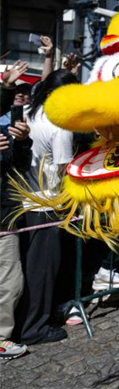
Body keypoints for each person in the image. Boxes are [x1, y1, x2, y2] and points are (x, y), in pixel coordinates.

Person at [15, 70, 78, 345]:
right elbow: (65, 170)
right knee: (42, 270)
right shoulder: (59, 125)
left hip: (22, 200)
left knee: (28, 268)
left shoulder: (28, 111)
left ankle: (26, 322)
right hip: (47, 204)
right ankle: (35, 329)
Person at [0, 61, 33, 359]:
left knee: (10, 282)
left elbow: (18, 167)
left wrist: (21, 142)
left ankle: (1, 337)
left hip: (4, 217)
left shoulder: (6, 130)